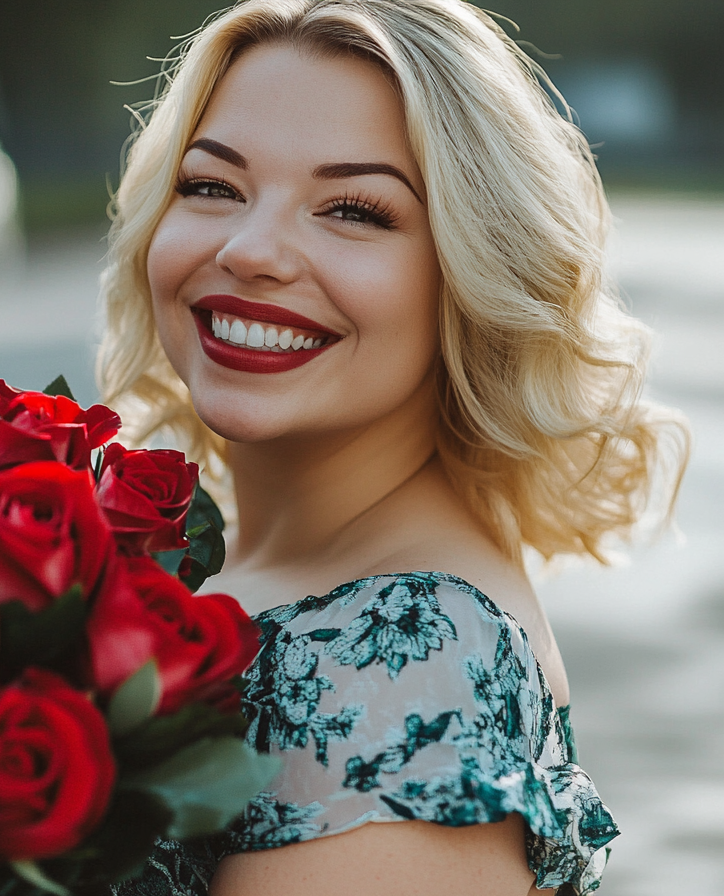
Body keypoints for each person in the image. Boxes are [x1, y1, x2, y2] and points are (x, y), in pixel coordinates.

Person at [96, 1, 690, 894]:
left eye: (354, 210)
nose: (251, 250)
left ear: (471, 271)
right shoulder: (197, 552)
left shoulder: (403, 665)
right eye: (212, 186)